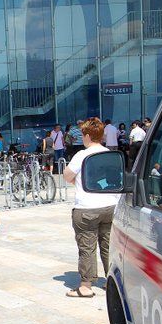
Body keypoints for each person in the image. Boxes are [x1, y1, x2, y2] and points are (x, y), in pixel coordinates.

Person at [63, 118, 118, 298]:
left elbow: (67, 176)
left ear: (87, 136)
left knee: (87, 246)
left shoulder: (82, 155)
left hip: (87, 207)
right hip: (110, 205)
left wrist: (78, 181)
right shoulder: (110, 154)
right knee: (108, 245)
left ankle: (86, 286)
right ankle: (112, 281)